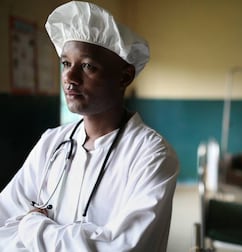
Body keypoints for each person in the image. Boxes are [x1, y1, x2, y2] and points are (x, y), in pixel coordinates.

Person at [0, 1, 179, 251]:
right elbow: (3, 222)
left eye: (87, 66)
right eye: (65, 63)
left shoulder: (151, 155)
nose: (70, 78)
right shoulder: (52, 143)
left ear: (124, 76)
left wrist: (32, 224)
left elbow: (122, 247)